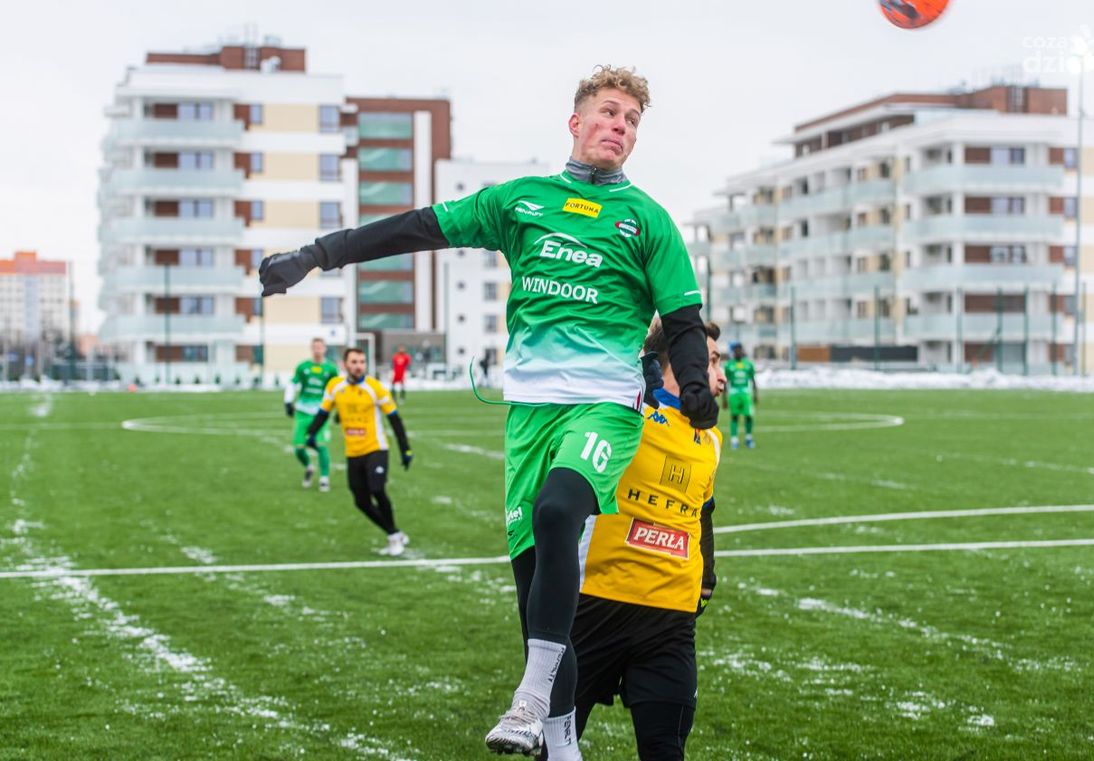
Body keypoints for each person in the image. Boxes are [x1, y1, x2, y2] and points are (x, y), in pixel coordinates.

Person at [259, 65, 718, 755]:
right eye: (610, 112)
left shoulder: (647, 219)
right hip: (529, 415)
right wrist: (315, 256)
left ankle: (530, 700)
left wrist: (699, 393)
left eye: (632, 121)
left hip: (602, 408)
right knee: (536, 594)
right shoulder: (520, 201)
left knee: (560, 510)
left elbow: (683, 318)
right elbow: (416, 229)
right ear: (577, 121)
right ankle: (561, 743)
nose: (619, 127)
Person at [535, 320, 725, 761]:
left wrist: (706, 578)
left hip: (671, 619)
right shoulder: (619, 412)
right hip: (593, 607)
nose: (720, 375)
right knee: (554, 748)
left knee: (665, 749)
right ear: (679, 360)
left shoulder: (710, 441)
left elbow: (704, 510)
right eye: (712, 360)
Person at [305, 347, 414, 556]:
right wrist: (311, 434)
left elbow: (395, 420)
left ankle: (393, 538)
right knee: (360, 501)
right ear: (345, 365)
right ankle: (395, 532)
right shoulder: (335, 386)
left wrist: (405, 450)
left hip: (376, 448)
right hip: (352, 452)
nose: (358, 366)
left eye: (362, 362)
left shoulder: (376, 388)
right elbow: (322, 413)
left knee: (377, 489)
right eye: (354, 362)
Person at [284, 338, 339, 491]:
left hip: (321, 413)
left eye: (320, 347)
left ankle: (324, 478)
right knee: (299, 448)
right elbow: (292, 383)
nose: (317, 350)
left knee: (321, 445)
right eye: (315, 347)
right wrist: (288, 402)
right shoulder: (303, 367)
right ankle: (309, 467)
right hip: (302, 412)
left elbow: (337, 389)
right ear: (311, 349)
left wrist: (339, 410)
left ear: (325, 349)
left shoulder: (331, 368)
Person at [721, 341, 758, 449]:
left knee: (749, 416)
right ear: (733, 352)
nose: (738, 352)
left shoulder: (748, 364)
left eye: (740, 350)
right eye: (736, 350)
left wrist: (756, 394)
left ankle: (748, 438)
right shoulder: (729, 365)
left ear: (742, 351)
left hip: (746, 394)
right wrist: (724, 399)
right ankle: (734, 440)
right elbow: (725, 383)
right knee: (734, 416)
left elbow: (753, 379)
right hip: (733, 394)